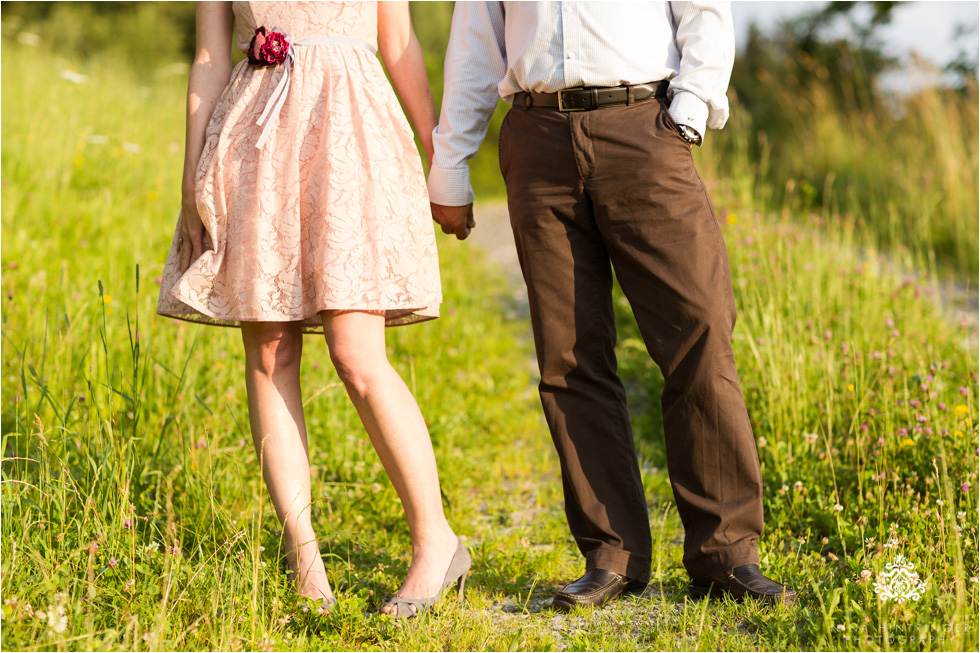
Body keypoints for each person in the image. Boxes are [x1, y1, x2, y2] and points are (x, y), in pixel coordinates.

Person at [428, 1, 796, 609]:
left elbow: (704, 9)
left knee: (699, 332)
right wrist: (450, 164)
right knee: (569, 355)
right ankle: (612, 555)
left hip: (644, 128)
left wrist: (691, 104)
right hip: (538, 139)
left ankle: (726, 553)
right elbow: (475, 41)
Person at [157, 1, 469, 617]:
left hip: (351, 133)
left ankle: (437, 540)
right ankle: (307, 564)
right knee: (271, 351)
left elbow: (400, 42)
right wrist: (192, 184)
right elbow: (210, 58)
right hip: (253, 141)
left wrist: (443, 162)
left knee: (357, 354)